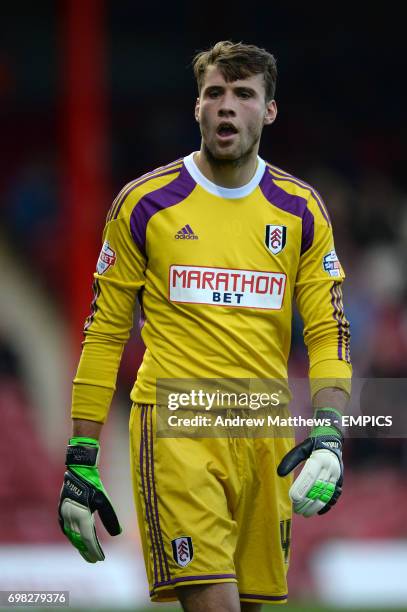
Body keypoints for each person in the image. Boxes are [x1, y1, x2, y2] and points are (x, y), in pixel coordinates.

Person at [58, 41, 351, 611]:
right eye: (215, 93)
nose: (227, 106)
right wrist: (81, 454)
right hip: (176, 427)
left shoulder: (301, 210)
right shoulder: (144, 204)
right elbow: (103, 333)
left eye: (243, 95)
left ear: (268, 111)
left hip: (265, 429)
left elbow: (328, 330)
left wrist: (331, 432)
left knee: (251, 604)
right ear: (197, 108)